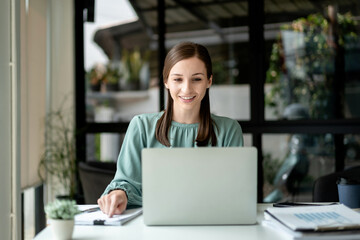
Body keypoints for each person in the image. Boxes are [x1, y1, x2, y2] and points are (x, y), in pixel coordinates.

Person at [97, 42, 244, 217]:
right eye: (178, 79)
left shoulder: (229, 130)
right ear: (166, 81)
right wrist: (119, 194)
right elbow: (126, 182)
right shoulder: (141, 126)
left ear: (209, 81)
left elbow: (234, 192)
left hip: (212, 223)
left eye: (197, 79)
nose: (187, 89)